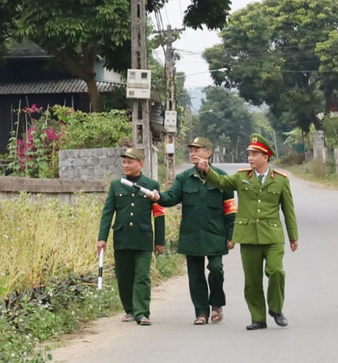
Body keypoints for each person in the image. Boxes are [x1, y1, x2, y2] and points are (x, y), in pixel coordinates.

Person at [194, 134, 298, 331]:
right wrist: (207, 170)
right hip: (249, 235)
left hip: (272, 235)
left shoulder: (281, 181)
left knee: (276, 271)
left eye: (254, 154)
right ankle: (258, 317)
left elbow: (288, 210)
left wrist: (293, 236)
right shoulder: (242, 177)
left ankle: (276, 309)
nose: (250, 158)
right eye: (249, 154)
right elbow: (223, 182)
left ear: (265, 157)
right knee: (252, 280)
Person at [150, 137, 236, 325]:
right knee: (195, 275)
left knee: (216, 269)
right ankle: (201, 312)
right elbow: (172, 197)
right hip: (191, 234)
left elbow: (230, 209)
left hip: (215, 233)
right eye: (192, 150)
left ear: (209, 153)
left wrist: (231, 234)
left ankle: (216, 304)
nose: (193, 153)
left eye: (198, 149)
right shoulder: (184, 178)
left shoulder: (222, 178)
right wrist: (158, 197)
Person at [97, 147, 165, 326]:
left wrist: (159, 241)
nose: (125, 165)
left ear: (140, 164)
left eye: (129, 162)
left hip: (143, 239)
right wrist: (102, 238)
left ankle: (142, 313)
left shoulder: (151, 185)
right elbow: (107, 212)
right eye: (124, 162)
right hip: (122, 238)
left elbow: (159, 214)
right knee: (124, 276)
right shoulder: (116, 185)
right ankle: (129, 310)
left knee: (142, 276)